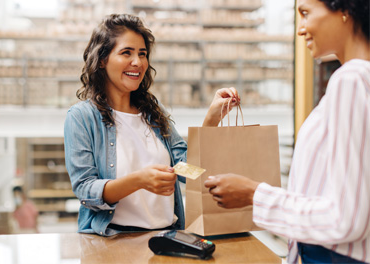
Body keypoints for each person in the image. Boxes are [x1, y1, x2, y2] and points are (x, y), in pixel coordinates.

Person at [204, 0, 370, 263]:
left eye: (305, 13)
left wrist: (253, 193)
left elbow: (345, 218)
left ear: (345, 11)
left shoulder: (350, 79)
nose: (300, 29)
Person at [64, 14, 239, 237]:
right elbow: (85, 190)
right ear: (102, 59)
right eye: (126, 52)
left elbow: (188, 171)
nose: (137, 62)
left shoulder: (154, 113)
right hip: (113, 241)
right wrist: (139, 180)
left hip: (166, 239)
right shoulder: (81, 117)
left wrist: (212, 118)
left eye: (142, 54)